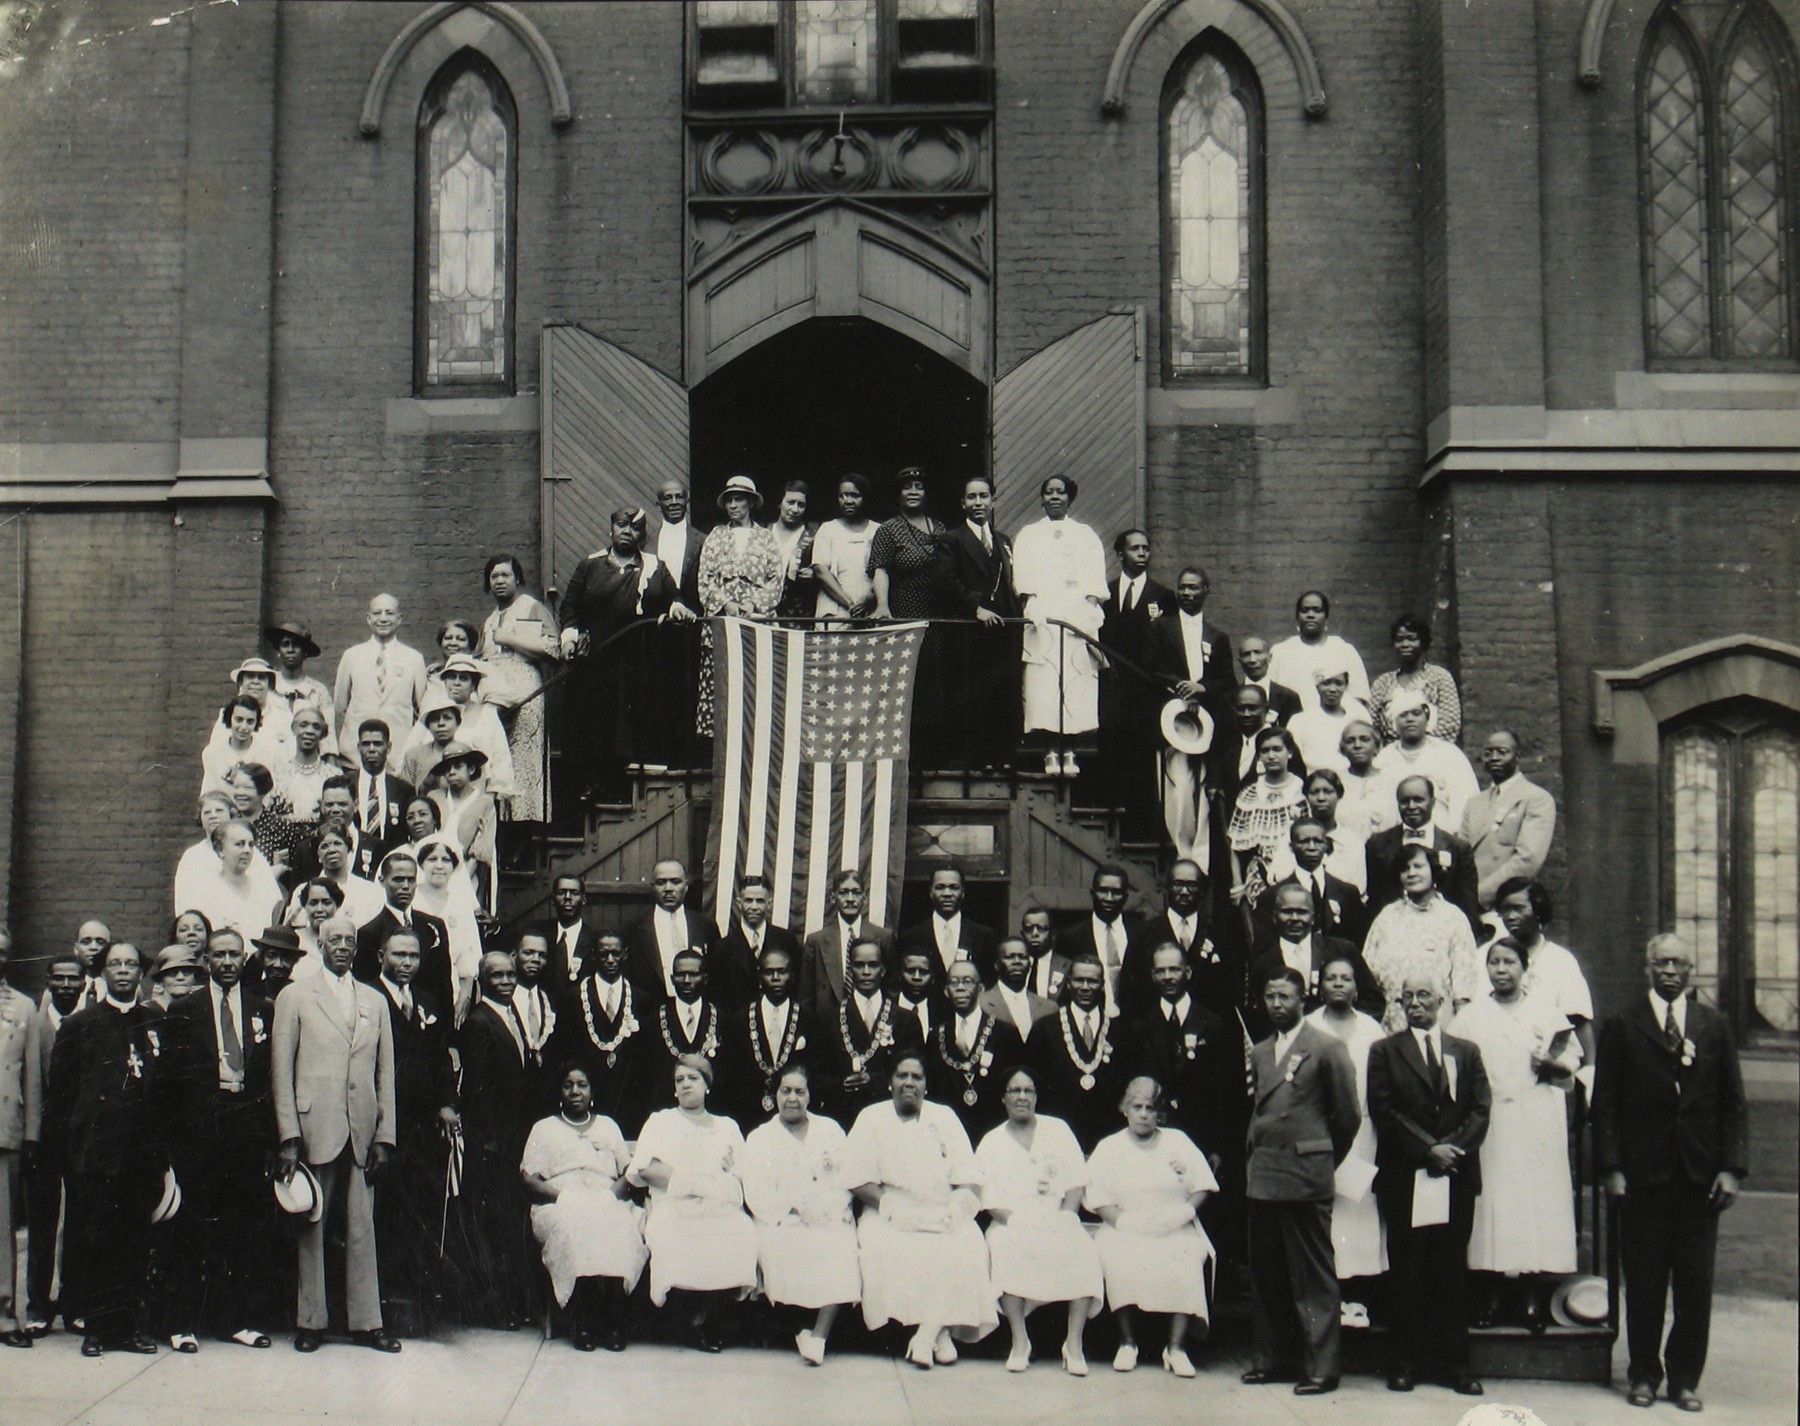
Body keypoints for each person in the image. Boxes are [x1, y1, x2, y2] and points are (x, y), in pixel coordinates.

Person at [1593, 934, 1747, 1413]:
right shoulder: (1623, 1025)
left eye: (1679, 963)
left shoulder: (1713, 1026)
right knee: (1643, 1281)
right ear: (1647, 968)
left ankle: (1684, 1379)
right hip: (1643, 1177)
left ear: (1692, 970)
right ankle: (1642, 1375)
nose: (1670, 971)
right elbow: (1606, 1106)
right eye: (1661, 963)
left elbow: (1733, 1105)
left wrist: (1732, 1169)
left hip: (1699, 1177)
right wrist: (1612, 1169)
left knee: (1695, 1284)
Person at [270, 916, 400, 1354]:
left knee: (362, 1227)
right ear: (319, 945)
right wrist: (289, 1133)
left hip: (361, 1127)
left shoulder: (374, 1001)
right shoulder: (296, 996)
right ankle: (311, 1321)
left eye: (349, 940)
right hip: (314, 1127)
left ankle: (367, 1322)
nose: (342, 947)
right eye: (334, 940)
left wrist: (386, 1135)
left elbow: (385, 1076)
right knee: (314, 1224)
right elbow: (280, 1071)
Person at [1367, 972, 1491, 1397]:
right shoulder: (1385, 1051)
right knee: (1409, 1270)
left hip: (1455, 1176)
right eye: (1408, 998)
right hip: (1409, 1175)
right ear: (1399, 1005)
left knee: (1451, 1271)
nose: (1416, 1004)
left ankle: (1456, 1365)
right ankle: (1405, 1363)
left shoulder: (1466, 1052)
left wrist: (1452, 1150)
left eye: (1424, 996)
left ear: (1441, 1000)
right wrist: (1427, 1150)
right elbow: (1384, 1111)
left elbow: (1480, 1109)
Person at [1241, 966, 1360, 1397]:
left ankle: (1322, 1368)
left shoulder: (1327, 1048)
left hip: (1306, 1177)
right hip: (1266, 1177)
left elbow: (1347, 1118)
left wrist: (1319, 1157)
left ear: (1302, 1000)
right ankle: (1272, 1360)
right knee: (1268, 1275)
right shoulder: (1259, 1051)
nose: (1276, 1005)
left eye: (1285, 997)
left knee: (1312, 1276)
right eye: (1270, 997)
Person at [47, 941, 169, 1357]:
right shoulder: (80, 1024)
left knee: (136, 1241)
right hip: (97, 1155)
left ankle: (132, 1328)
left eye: (130, 964)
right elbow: (60, 1097)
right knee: (97, 1241)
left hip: (140, 1153)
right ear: (103, 973)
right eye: (115, 964)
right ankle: (97, 1328)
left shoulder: (153, 1020)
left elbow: (165, 1088)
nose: (122, 971)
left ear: (141, 972)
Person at [159, 929, 278, 1352]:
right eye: (219, 955)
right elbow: (169, 1082)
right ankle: (182, 1323)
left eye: (234, 954)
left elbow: (268, 1078)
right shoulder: (184, 1009)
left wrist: (268, 1138)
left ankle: (237, 1320)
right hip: (199, 1135)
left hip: (245, 1133)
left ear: (245, 960)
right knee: (191, 1229)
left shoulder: (263, 1009)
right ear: (205, 960)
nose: (227, 962)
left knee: (242, 1229)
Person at [1457, 937, 1581, 1329]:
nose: (1501, 969)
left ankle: (1530, 1296)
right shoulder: (1472, 1016)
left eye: (1509, 961)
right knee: (1493, 1201)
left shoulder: (1547, 1012)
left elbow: (1572, 1060)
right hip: (1491, 1120)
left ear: (1524, 968)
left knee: (1532, 1202)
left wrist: (1552, 1062)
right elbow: (1455, 1061)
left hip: (1535, 1117)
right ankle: (1490, 1294)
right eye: (1494, 962)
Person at [843, 1052, 994, 1367]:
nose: (909, 1083)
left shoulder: (945, 1117)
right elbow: (857, 1178)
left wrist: (955, 1210)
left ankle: (926, 1335)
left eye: (917, 1077)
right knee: (888, 1247)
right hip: (889, 1210)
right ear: (890, 1083)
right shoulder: (871, 1117)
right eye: (902, 1076)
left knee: (968, 1243)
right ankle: (938, 1334)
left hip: (941, 1207)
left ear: (926, 1085)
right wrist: (891, 1208)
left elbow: (969, 1176)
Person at [1086, 1075, 1219, 1377]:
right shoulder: (1109, 1147)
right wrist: (1125, 1221)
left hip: (1174, 1224)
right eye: (1137, 1107)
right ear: (1125, 1109)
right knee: (1117, 1254)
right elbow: (1096, 1197)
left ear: (1160, 1113)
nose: (1144, 1114)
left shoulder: (1178, 1141)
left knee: (1186, 1253)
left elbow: (1202, 1185)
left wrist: (1183, 1213)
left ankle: (1176, 1347)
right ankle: (1128, 1342)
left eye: (1150, 1107)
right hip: (1125, 1225)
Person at [558, 506, 696, 796]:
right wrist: (569, 637)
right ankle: (596, 783)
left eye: (634, 528)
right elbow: (570, 607)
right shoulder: (590, 565)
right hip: (598, 658)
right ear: (611, 529)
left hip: (640, 658)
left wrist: (678, 607)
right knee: (597, 718)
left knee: (635, 718)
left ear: (642, 535)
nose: (627, 532)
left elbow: (673, 596)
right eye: (622, 525)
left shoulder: (654, 566)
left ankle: (632, 784)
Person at [976, 1065, 1102, 1375]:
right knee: (1006, 1247)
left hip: (1056, 1215)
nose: (1022, 1097)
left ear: (1036, 1096)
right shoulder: (992, 1142)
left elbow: (1075, 1182)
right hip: (1012, 1220)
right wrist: (1018, 1221)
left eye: (1028, 1090)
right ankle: (1020, 1341)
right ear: (1003, 1098)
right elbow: (988, 1200)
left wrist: (1068, 1215)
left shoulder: (1057, 1129)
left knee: (1082, 1247)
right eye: (1015, 1091)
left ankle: (1073, 1344)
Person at [627, 1055, 759, 1350]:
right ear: (674, 1090)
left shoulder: (727, 1127)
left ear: (707, 1085)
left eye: (693, 1078)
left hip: (719, 1206)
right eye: (680, 1080)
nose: (686, 1084)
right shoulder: (661, 1121)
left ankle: (706, 1316)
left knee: (741, 1231)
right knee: (675, 1232)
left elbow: (742, 1173)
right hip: (673, 1205)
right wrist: (696, 1185)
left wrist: (720, 1189)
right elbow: (646, 1168)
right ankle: (689, 1319)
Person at [520, 1063, 646, 1352]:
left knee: (618, 1223)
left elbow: (629, 1173)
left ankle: (613, 1319)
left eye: (582, 1084)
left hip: (606, 1197)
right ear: (560, 1091)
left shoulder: (608, 1126)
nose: (575, 1091)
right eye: (568, 1085)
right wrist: (563, 1197)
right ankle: (584, 1320)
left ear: (592, 1091)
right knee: (573, 1224)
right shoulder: (544, 1128)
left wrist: (609, 1196)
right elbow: (529, 1178)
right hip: (561, 1201)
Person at [370, 926, 459, 1337]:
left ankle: (420, 1306)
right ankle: (384, 1306)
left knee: (420, 1210)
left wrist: (445, 1103)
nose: (406, 963)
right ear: (381, 956)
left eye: (413, 956)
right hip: (384, 1123)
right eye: (399, 954)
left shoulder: (428, 1001)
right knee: (384, 1213)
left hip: (424, 1127)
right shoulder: (369, 998)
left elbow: (442, 1060)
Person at [742, 1064, 860, 1365]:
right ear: (775, 1095)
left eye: (799, 1091)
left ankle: (819, 1335)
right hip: (783, 1219)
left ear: (809, 1096)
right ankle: (799, 1327)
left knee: (840, 1246)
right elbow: (757, 1193)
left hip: (828, 1214)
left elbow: (846, 1178)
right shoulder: (760, 1138)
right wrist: (795, 1208)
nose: (792, 1098)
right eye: (785, 1091)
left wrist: (825, 1208)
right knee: (786, 1249)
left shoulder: (830, 1131)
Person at [456, 950, 537, 1330]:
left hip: (511, 1137)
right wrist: (487, 1139)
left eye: (510, 975)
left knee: (507, 1223)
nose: (505, 982)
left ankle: (513, 1302)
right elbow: (475, 1089)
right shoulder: (478, 1022)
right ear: (482, 980)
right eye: (496, 976)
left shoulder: (509, 1013)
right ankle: (495, 1308)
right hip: (492, 1142)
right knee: (493, 1224)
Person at [1304, 954, 1388, 1312]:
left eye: (1346, 979)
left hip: (1364, 1129)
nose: (1338, 984)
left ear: (1356, 988)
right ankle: (1328, 1291)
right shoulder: (1308, 1026)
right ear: (1319, 986)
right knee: (1326, 1205)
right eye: (1331, 978)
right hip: (1320, 1128)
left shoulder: (1372, 1029)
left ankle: (1360, 1293)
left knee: (1360, 1201)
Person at [1012, 473, 1109, 777]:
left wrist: (1089, 610)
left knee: (1075, 683)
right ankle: (1050, 750)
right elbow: (1024, 579)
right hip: (1044, 617)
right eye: (1049, 492)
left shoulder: (1085, 534)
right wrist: (1033, 604)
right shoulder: (1029, 534)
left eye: (1061, 492)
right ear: (1041, 499)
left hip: (1076, 616)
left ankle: (1071, 750)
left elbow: (1094, 580)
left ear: (1070, 498)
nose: (1054, 497)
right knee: (1045, 684)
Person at [1119, 945, 1243, 1174]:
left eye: (1174, 969)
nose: (1167, 977)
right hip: (1154, 1141)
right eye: (1161, 971)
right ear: (1152, 976)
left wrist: (1219, 1148)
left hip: (1203, 1141)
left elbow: (1228, 1092)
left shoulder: (1214, 1024)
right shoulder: (1139, 1028)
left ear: (1188, 972)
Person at [1149, 565, 1240, 862]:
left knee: (1202, 786)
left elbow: (1228, 680)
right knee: (1177, 786)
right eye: (1182, 587)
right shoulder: (1161, 627)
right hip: (1173, 719)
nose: (1187, 593)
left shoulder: (1218, 636)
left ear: (1206, 591)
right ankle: (1180, 850)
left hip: (1205, 720)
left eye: (1193, 587)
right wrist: (1179, 686)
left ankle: (1198, 857)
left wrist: (1201, 689)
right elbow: (1151, 668)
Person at [938, 473, 1021, 769]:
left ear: (993, 501)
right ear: (963, 503)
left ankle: (1002, 758)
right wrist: (976, 608)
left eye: (983, 496)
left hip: (1001, 632)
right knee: (974, 695)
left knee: (1002, 694)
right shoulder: (952, 539)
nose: (978, 503)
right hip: (969, 632)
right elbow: (946, 580)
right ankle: (976, 761)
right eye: (971, 497)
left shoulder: (1004, 541)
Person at [22, 950, 85, 1337]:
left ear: (83, 982)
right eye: (58, 978)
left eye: (72, 979)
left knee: (78, 1222)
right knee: (42, 1223)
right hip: (43, 1139)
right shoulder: (36, 1023)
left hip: (79, 1138)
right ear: (48, 982)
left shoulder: (89, 1021)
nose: (65, 985)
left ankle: (74, 1303)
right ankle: (38, 1306)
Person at [695, 474, 784, 738]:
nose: (734, 505)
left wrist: (752, 604)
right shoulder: (716, 536)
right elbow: (705, 578)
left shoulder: (766, 538)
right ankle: (722, 740)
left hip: (756, 619)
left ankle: (755, 737)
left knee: (755, 680)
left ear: (751, 503)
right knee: (724, 679)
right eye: (730, 500)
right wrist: (726, 604)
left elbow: (775, 579)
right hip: (724, 621)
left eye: (740, 499)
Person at [1363, 842, 1483, 1031]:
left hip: (1440, 1024)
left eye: (1418, 866)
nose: (1411, 873)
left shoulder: (1452, 917)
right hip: (1390, 1024)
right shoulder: (1387, 917)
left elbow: (1464, 977)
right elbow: (1367, 971)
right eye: (1405, 869)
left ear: (1433, 870)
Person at [478, 553, 559, 825]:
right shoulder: (489, 620)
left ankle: (527, 828)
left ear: (518, 578)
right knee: (498, 756)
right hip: (495, 694)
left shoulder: (530, 607)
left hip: (525, 689)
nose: (500, 581)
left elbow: (552, 648)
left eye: (505, 575)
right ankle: (503, 824)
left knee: (525, 756)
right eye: (494, 576)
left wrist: (511, 639)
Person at [1491, 877, 1597, 1077]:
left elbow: (1579, 1020)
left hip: (1548, 1066)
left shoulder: (1560, 961)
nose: (1511, 916)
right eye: (1505, 910)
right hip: (1498, 1064)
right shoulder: (1488, 958)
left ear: (1538, 911)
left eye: (1519, 908)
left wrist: (1590, 1072)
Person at [554, 930, 649, 1136]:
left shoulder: (642, 1000)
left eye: (616, 953)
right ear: (594, 955)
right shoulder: (573, 998)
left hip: (628, 1104)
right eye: (604, 954)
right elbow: (564, 1051)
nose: (610, 960)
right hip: (587, 1105)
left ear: (625, 954)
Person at [1026, 955, 1124, 1151]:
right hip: (1057, 1139)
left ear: (1103, 985)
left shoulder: (1120, 1032)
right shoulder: (1045, 1028)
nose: (1085, 987)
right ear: (1069, 984)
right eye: (1079, 980)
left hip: (1108, 1140)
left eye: (1092, 981)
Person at [817, 940, 922, 1123]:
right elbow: (817, 1074)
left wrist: (875, 1082)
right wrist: (842, 1084)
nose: (866, 972)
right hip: (843, 1115)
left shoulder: (906, 1020)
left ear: (883, 970)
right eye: (859, 965)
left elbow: (916, 1070)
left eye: (872, 965)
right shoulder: (829, 1019)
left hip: (890, 1115)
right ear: (850, 971)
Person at [718, 944, 814, 1129]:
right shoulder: (739, 1020)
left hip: (795, 1117)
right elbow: (731, 1075)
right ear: (760, 976)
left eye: (782, 972)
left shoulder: (809, 1020)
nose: (776, 978)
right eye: (769, 972)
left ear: (792, 976)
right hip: (749, 1117)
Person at [1364, 775, 1481, 926]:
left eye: (1418, 799)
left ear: (1432, 802)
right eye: (1405, 801)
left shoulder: (1458, 848)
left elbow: (1468, 906)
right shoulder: (1377, 844)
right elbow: (1375, 901)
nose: (1411, 806)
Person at [924, 961, 1023, 1139]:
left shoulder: (1005, 1033)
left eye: (968, 981)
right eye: (954, 982)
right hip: (949, 1134)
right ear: (946, 991)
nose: (961, 987)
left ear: (981, 988)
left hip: (994, 1133)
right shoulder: (936, 1037)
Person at [1226, 726, 1309, 934]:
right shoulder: (1250, 793)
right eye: (1265, 750)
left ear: (1289, 752)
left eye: (1277, 749)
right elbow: (1235, 843)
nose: (1271, 756)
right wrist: (1238, 883)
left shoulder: (1302, 790)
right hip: (1259, 876)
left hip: (1295, 873)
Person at [1463, 729, 1557, 908]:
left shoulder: (1536, 798)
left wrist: (1479, 895)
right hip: (1470, 905)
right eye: (1488, 752)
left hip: (1509, 903)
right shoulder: (1473, 804)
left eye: (1502, 752)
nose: (1494, 757)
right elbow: (1462, 854)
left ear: (1517, 756)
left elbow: (1528, 860)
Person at [353, 850, 454, 1015]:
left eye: (411, 880)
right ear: (382, 881)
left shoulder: (434, 926)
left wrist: (448, 1035)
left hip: (430, 1023)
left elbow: (444, 985)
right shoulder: (368, 933)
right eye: (398, 880)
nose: (405, 887)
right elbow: (365, 990)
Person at [0, 930, 39, 1348]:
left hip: (4, 1128)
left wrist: (31, 1136)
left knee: (2, 1227)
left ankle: (6, 1313)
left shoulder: (23, 1007)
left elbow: (33, 1079)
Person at [1373, 688, 1480, 834]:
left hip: (1442, 838)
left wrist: (1453, 840)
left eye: (1416, 713)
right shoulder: (1383, 759)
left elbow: (1465, 802)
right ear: (1394, 722)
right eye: (1403, 715)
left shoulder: (1449, 754)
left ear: (1427, 718)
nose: (1410, 719)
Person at [797, 869, 895, 1028]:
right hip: (828, 1029)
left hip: (872, 1024)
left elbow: (891, 990)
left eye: (856, 893)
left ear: (864, 898)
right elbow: (806, 997)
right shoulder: (817, 941)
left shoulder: (883, 938)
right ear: (833, 897)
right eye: (843, 893)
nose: (850, 899)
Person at [333, 593, 428, 748]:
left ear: (399, 619)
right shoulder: (352, 656)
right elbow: (340, 706)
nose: (383, 619)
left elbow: (423, 709)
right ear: (368, 618)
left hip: (398, 748)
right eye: (377, 613)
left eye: (389, 613)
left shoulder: (414, 658)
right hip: (357, 749)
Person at [1262, 813, 1369, 947]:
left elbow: (1358, 944)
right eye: (1304, 841)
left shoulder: (1348, 893)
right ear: (1291, 847)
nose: (1312, 847)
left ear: (1327, 846)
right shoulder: (1272, 896)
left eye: (1318, 841)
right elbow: (1265, 949)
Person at [411, 834, 484, 1020]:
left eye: (445, 860)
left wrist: (464, 997)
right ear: (421, 864)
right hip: (414, 983)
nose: (439, 866)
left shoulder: (460, 904)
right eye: (432, 859)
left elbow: (469, 955)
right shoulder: (411, 899)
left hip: (450, 988)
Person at [705, 874, 801, 1014]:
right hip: (738, 1027)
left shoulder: (786, 941)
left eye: (760, 901)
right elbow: (717, 997)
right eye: (748, 901)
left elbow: (796, 987)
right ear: (739, 903)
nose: (754, 907)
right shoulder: (722, 948)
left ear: (769, 903)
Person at [1052, 864, 1139, 1018]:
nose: (1109, 898)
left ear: (1125, 897)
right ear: (1093, 893)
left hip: (1133, 1024)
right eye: (1103, 891)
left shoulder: (1140, 932)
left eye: (1116, 892)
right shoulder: (1071, 937)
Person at [642, 949, 722, 1115]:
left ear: (705, 978)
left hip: (711, 1112)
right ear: (672, 979)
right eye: (680, 975)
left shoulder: (723, 1020)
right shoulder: (653, 1021)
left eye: (693, 975)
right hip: (667, 1112)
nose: (686, 981)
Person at [1267, 591, 1371, 715]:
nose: (1310, 615)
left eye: (1317, 610)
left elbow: (1358, 695)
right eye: (1305, 610)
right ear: (1297, 616)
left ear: (1326, 617)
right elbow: (1270, 693)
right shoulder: (1281, 651)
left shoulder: (1344, 650)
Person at [898, 865, 998, 986]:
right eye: (940, 887)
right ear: (930, 892)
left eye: (953, 887)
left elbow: (989, 980)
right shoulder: (911, 936)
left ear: (963, 892)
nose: (947, 893)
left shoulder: (983, 936)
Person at [1369, 615, 1462, 745]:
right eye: (1399, 640)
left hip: (1433, 754)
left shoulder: (1440, 677)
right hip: (1392, 756)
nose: (1405, 644)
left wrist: (1417, 748)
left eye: (1412, 639)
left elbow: (1449, 723)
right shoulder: (1383, 683)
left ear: (1423, 642)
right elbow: (1371, 724)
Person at [188, 819, 284, 943]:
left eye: (251, 845)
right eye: (239, 844)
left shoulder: (264, 887)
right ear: (220, 850)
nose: (247, 850)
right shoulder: (207, 890)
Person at [427, 743, 498, 908]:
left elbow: (481, 849)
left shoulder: (484, 803)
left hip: (467, 875)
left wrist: (457, 883)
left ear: (471, 769)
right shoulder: (435, 798)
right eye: (447, 769)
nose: (452, 772)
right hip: (433, 873)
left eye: (458, 767)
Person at [625, 858, 698, 1002]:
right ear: (652, 887)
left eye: (675, 882)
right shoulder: (634, 928)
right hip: (650, 1013)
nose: (668, 888)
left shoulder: (705, 926)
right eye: (661, 882)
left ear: (686, 886)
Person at [349, 720, 416, 874]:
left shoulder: (404, 790)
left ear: (389, 747)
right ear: (358, 748)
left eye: (378, 744)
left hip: (391, 866)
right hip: (353, 865)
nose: (371, 749)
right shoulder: (346, 784)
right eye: (366, 744)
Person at [809, 473, 877, 620]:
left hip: (870, 613)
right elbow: (821, 571)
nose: (848, 501)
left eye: (855, 495)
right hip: (833, 613)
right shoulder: (828, 529)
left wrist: (868, 601)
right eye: (843, 496)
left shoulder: (878, 530)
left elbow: (884, 573)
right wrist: (850, 605)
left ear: (865, 497)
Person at [1286, 664, 1370, 778]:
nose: (1332, 689)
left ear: (1346, 686)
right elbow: (1292, 760)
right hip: (1315, 783)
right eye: (1326, 683)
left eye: (1339, 683)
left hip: (1354, 779)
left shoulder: (1359, 716)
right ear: (1317, 686)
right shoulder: (1300, 721)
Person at [266, 620, 337, 750]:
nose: (291, 650)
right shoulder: (267, 685)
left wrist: (330, 756)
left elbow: (328, 733)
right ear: (278, 650)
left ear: (305, 652)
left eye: (297, 645)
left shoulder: (317, 691)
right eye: (285, 644)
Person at [979, 935, 1057, 1041]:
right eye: (1009, 957)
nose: (1017, 961)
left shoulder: (1049, 1008)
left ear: (1030, 965)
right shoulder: (981, 1003)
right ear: (997, 965)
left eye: (1022, 957)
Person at [547, 874, 601, 1012]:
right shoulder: (540, 934)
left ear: (583, 900)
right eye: (561, 892)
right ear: (552, 900)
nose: (567, 897)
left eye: (574, 893)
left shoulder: (596, 940)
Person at [768, 479, 818, 620]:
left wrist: (814, 575)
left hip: (798, 615)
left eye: (801, 505)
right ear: (780, 503)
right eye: (790, 502)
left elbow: (825, 570)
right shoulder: (764, 534)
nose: (795, 509)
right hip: (764, 611)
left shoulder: (813, 537)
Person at [201, 694, 266, 796]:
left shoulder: (266, 753)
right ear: (229, 719)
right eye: (239, 720)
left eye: (250, 721)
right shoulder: (213, 753)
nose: (244, 727)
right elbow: (209, 791)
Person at [1237, 634, 1303, 726]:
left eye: (1258, 652)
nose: (1252, 660)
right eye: (1246, 654)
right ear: (1240, 662)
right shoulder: (1229, 699)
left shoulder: (1289, 698)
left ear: (1270, 657)